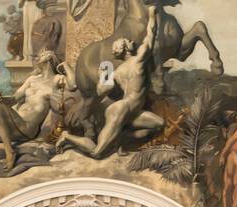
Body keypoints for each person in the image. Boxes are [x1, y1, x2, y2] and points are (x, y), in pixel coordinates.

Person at [57, 3, 165, 158]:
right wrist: (152, 15)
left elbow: (103, 90)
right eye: (127, 41)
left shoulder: (117, 71)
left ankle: (119, 139)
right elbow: (151, 34)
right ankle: (67, 136)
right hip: (121, 109)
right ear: (126, 48)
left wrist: (103, 76)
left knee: (159, 124)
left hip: (134, 111)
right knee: (97, 152)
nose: (131, 41)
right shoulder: (138, 60)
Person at [0, 51, 67, 170]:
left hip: (26, 127)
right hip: (11, 122)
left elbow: (73, 85)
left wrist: (65, 66)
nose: (38, 57)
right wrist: (1, 99)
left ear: (49, 58)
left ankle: (9, 151)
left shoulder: (58, 79)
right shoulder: (32, 79)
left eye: (41, 55)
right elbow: (15, 98)